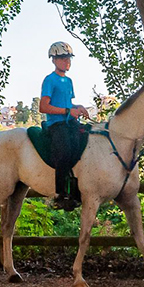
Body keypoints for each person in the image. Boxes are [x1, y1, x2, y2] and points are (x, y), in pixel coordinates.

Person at [38, 41, 89, 211]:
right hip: (56, 124)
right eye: (62, 58)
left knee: (84, 145)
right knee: (64, 151)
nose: (66, 61)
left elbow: (68, 103)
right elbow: (43, 107)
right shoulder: (49, 80)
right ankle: (60, 194)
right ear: (53, 60)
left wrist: (78, 108)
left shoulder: (69, 81)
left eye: (68, 58)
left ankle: (76, 190)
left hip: (69, 122)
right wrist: (68, 111)